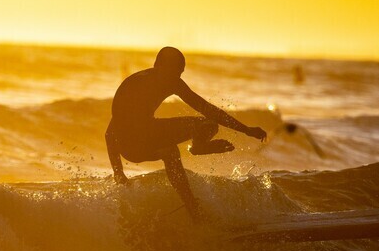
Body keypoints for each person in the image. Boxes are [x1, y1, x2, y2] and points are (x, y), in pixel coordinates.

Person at [105, 47, 266, 220]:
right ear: (158, 66)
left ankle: (199, 147)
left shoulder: (173, 82)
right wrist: (118, 172)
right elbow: (110, 133)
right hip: (130, 144)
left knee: (207, 124)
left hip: (148, 131)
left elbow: (206, 109)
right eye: (174, 72)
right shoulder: (135, 85)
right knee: (171, 151)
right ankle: (192, 207)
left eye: (180, 73)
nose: (177, 78)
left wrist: (246, 130)